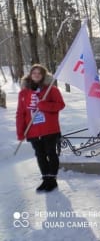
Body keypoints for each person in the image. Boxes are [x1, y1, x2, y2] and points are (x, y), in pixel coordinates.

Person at [16, 64, 65, 192]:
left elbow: (60, 105)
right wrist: (20, 132)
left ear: (43, 75)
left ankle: (52, 180)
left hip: (50, 129)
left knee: (51, 153)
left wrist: (44, 105)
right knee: (40, 155)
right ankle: (45, 179)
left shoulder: (51, 90)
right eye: (34, 73)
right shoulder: (23, 93)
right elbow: (20, 113)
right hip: (32, 130)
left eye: (39, 73)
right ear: (30, 75)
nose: (36, 75)